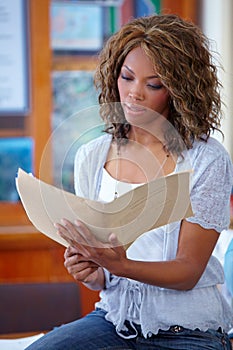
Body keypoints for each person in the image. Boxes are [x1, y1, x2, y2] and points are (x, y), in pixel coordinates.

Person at [26, 13, 233, 350]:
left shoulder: (206, 160)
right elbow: (104, 273)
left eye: (153, 84)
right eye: (127, 77)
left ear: (179, 90)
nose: (134, 94)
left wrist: (119, 264)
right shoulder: (92, 156)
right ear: (114, 76)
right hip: (116, 321)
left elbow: (189, 271)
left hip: (190, 331)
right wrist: (94, 272)